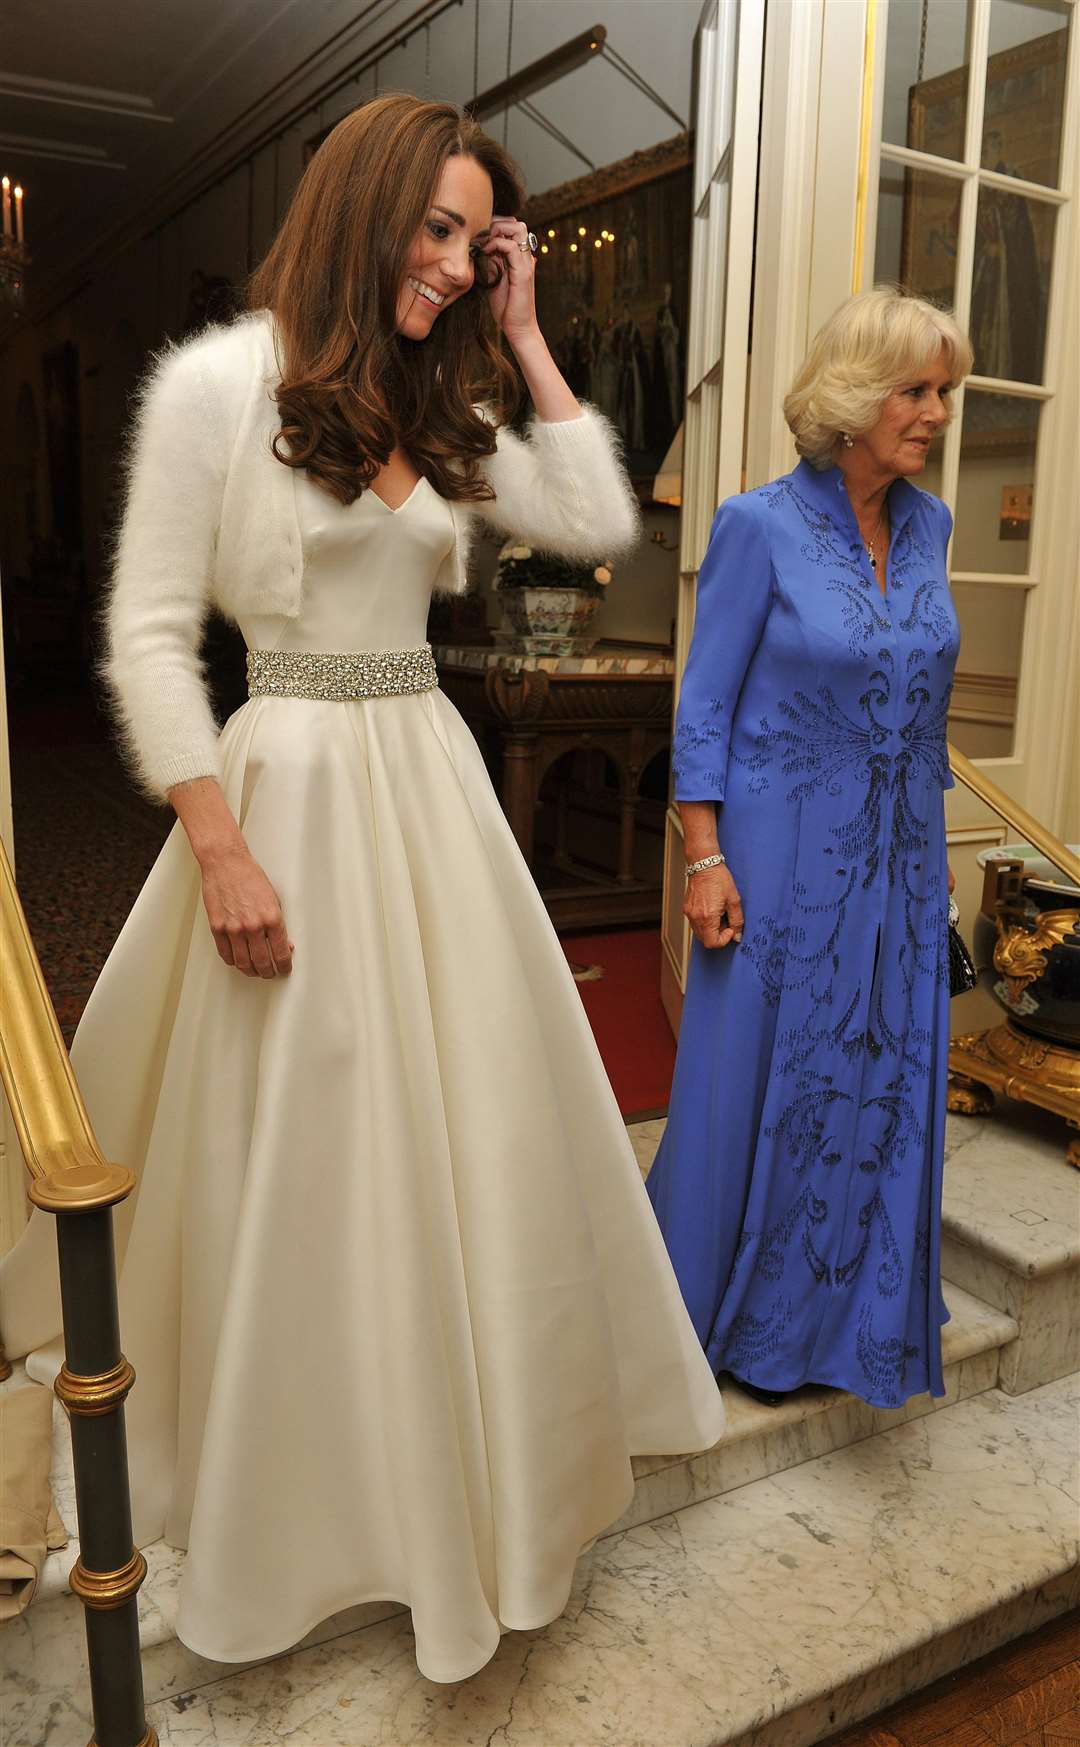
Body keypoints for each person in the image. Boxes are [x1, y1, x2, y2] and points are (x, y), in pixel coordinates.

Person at [0, 96, 724, 1683]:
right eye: (441, 230)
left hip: (428, 786)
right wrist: (219, 841)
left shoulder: (446, 389)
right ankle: (300, 1500)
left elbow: (598, 523)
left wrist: (530, 340)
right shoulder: (221, 381)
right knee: (316, 1154)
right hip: (291, 788)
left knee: (466, 1141)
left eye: (484, 239)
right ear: (362, 207)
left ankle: (458, 1490)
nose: (462, 264)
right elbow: (137, 636)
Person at [646, 287, 973, 1412]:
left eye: (944, 391)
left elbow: (923, 698)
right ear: (852, 395)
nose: (934, 412)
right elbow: (706, 705)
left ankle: (854, 1318)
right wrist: (704, 856)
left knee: (882, 1079)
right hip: (779, 860)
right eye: (915, 389)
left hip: (900, 859)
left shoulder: (931, 526)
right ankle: (734, 1320)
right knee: (766, 1086)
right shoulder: (757, 525)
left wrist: (929, 861)